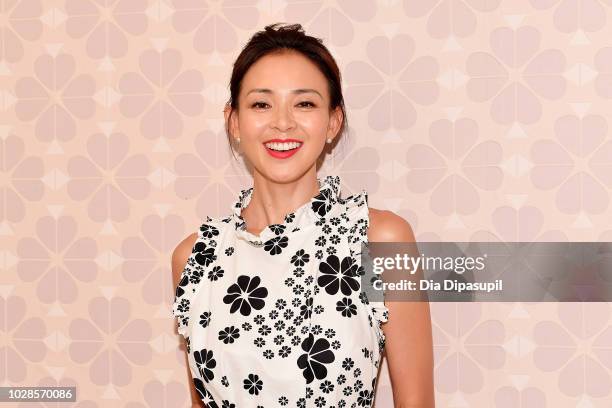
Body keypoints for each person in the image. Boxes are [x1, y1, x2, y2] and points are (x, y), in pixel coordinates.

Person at [171, 23, 434, 408]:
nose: (283, 122)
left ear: (333, 122)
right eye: (261, 104)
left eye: (305, 103)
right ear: (234, 122)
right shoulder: (195, 258)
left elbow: (417, 403)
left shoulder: (381, 240)